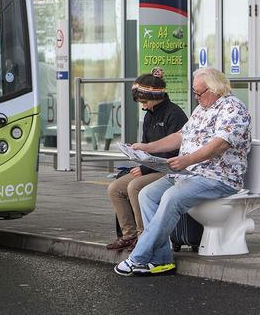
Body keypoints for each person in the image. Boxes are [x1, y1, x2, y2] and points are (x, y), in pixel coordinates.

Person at [115, 67, 251, 277]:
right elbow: (180, 136)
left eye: (199, 93)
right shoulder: (202, 108)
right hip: (188, 173)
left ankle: (138, 258)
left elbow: (219, 145)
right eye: (194, 93)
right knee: (147, 195)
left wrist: (186, 159)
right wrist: (146, 147)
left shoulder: (233, 109)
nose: (196, 98)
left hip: (216, 177)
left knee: (171, 197)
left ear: (215, 89)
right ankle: (161, 260)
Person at [106, 70, 187, 250]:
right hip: (151, 167)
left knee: (134, 186)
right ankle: (129, 234)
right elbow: (147, 145)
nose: (143, 106)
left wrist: (145, 169)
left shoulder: (174, 114)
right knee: (115, 188)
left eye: (144, 101)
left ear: (156, 97)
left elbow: (175, 152)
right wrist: (135, 154)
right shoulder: (149, 114)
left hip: (170, 169)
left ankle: (144, 235)